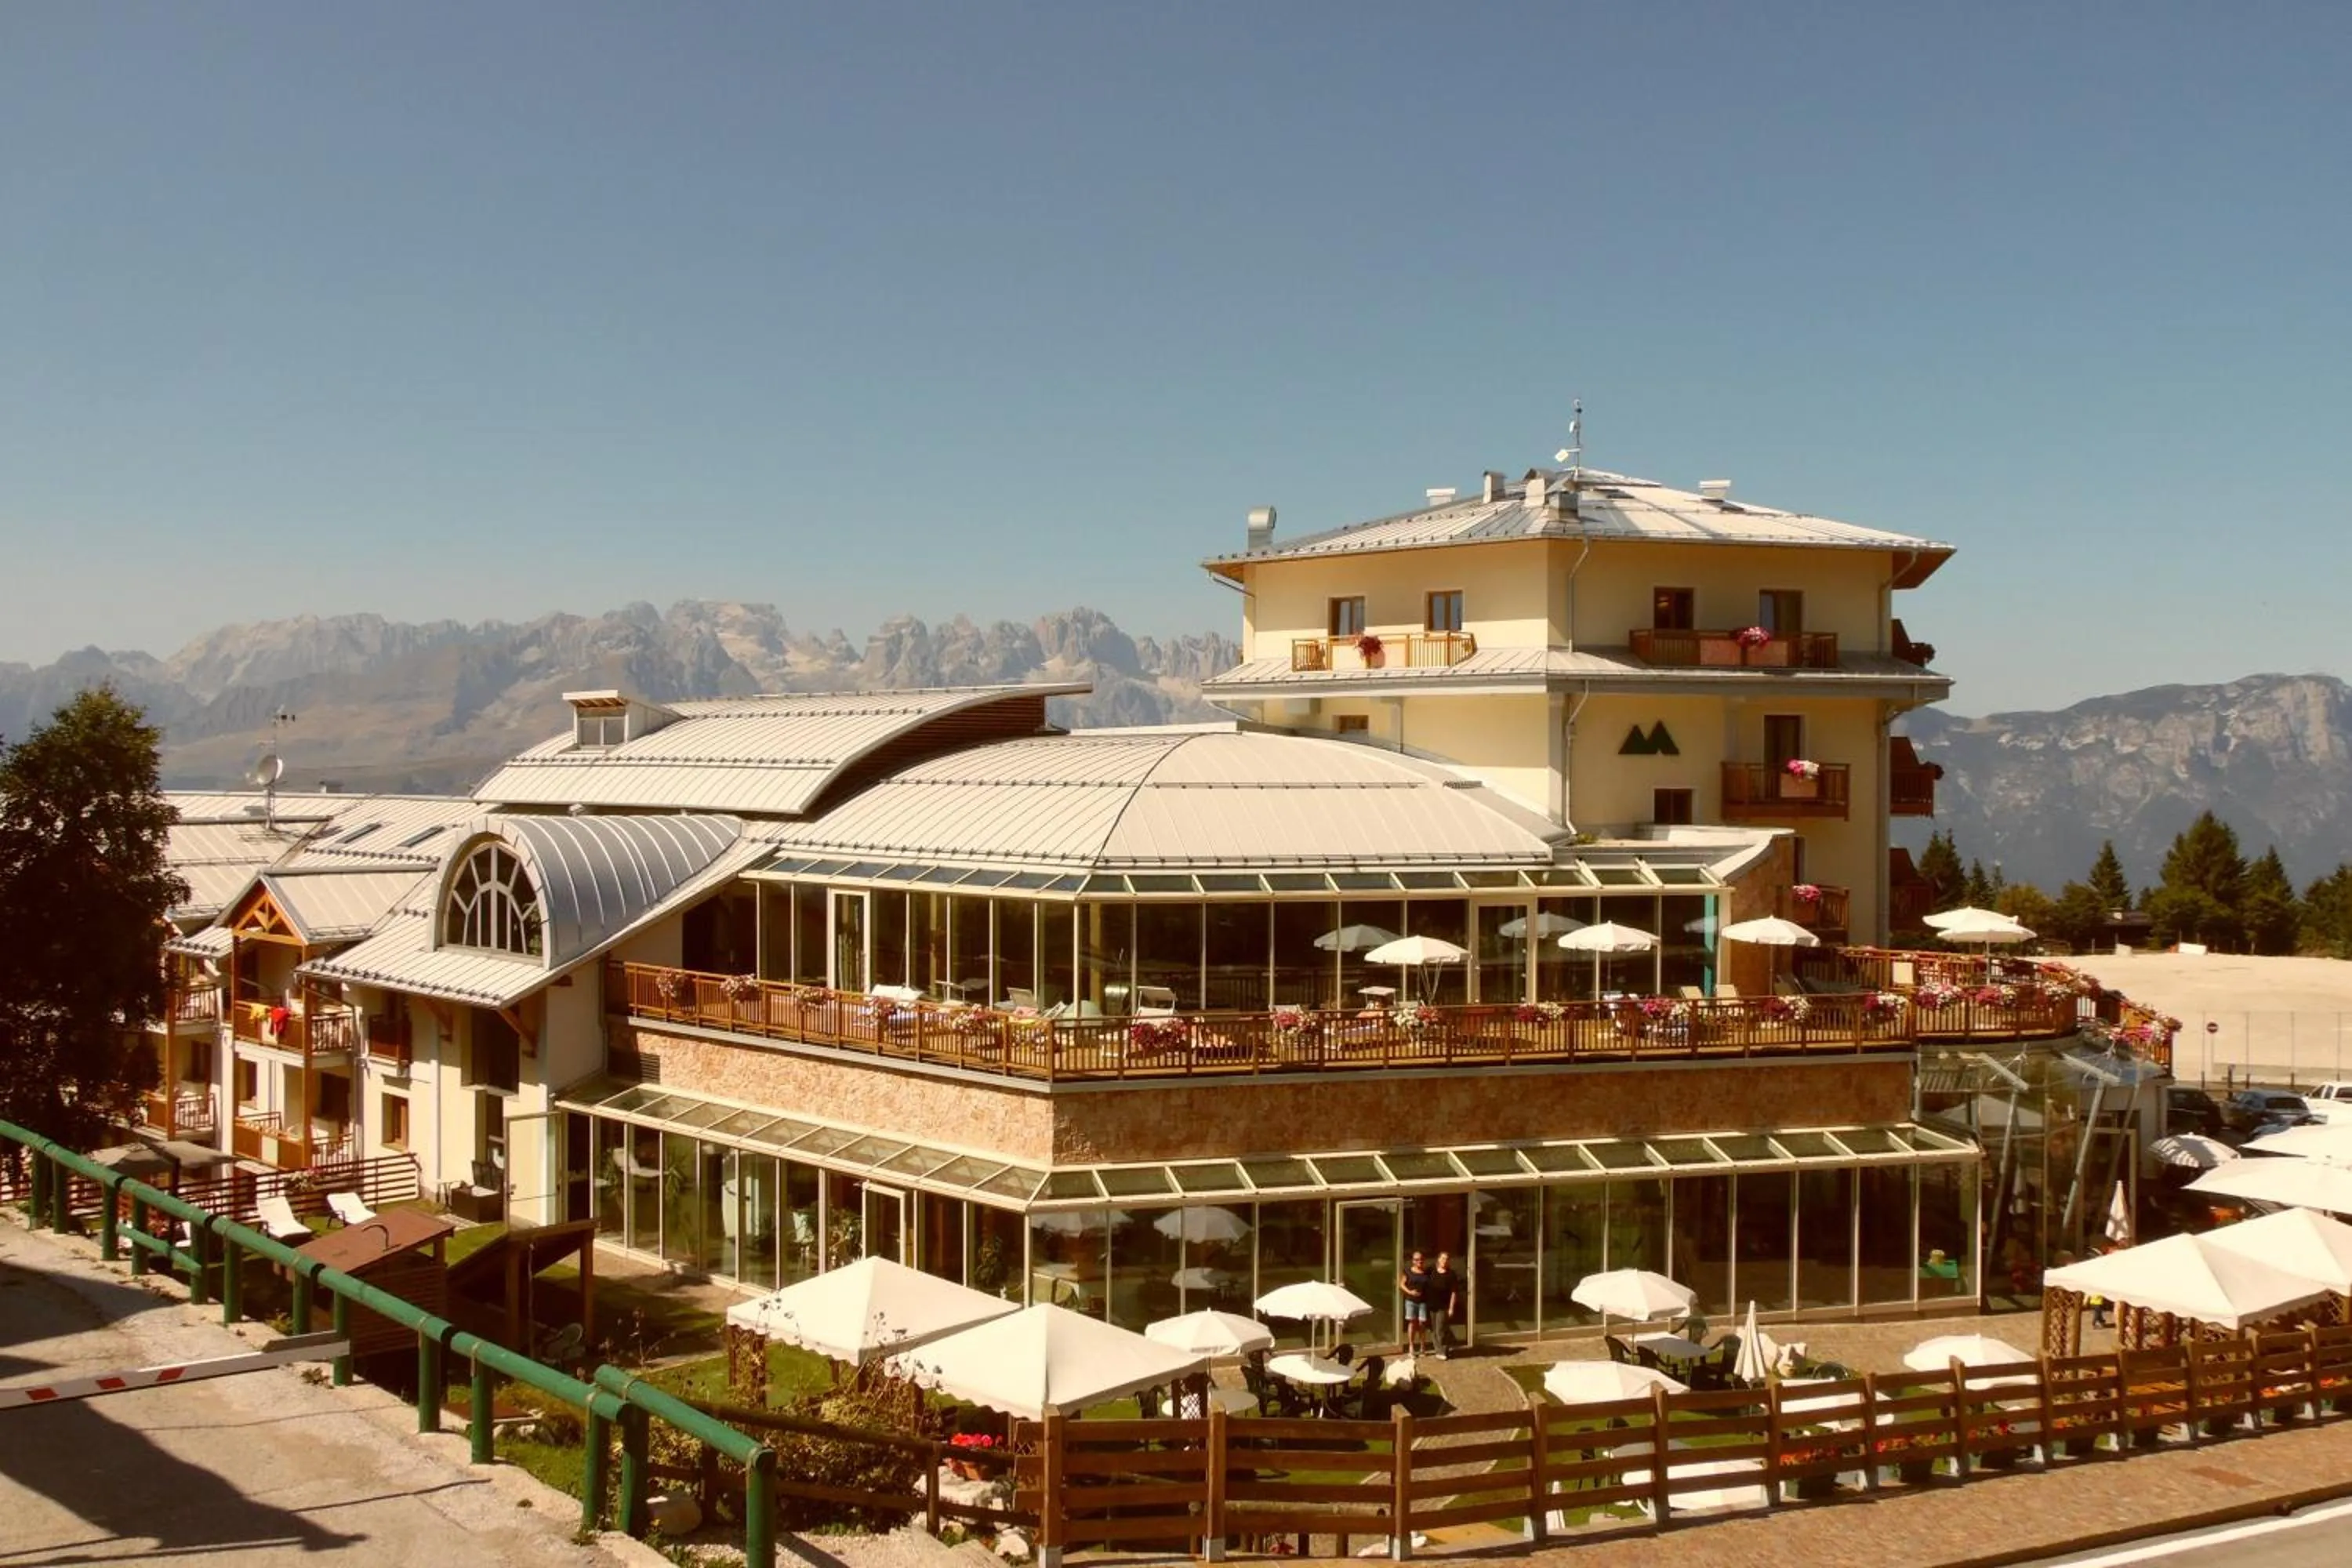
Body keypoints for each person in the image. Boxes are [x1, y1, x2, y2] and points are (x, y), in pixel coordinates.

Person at [1428, 1250, 1463, 1359]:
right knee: (1433, 1329)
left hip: (1443, 1306)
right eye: (1443, 1258)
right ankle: (1438, 1350)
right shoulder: (1432, 1272)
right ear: (1438, 1260)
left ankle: (1443, 1350)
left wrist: (1451, 1308)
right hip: (1431, 1305)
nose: (1444, 1261)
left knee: (1441, 1329)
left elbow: (1454, 1292)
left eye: (1447, 1259)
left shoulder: (1451, 1274)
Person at [1399, 1250, 1432, 1356]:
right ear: (1413, 1261)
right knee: (1412, 1323)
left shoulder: (1427, 1272)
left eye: (1421, 1259)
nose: (1419, 1261)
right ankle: (1411, 1346)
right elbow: (1401, 1284)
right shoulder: (1408, 1271)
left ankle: (1422, 1346)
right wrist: (1410, 1292)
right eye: (1417, 1260)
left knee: (1422, 1324)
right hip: (1411, 1301)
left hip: (1423, 1302)